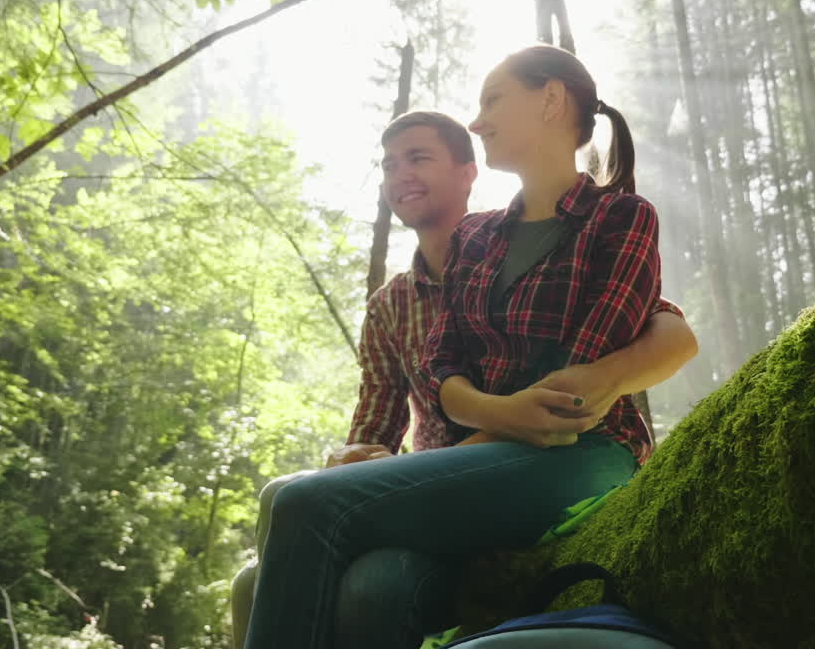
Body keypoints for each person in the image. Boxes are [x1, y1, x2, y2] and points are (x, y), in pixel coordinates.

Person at [241, 66, 697, 648]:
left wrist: (474, 425)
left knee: (296, 501)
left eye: (493, 102)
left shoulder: (620, 217)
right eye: (389, 165)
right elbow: (441, 368)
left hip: (584, 454)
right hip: (473, 468)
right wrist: (479, 421)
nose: (478, 120)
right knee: (366, 577)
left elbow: (583, 378)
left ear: (551, 100)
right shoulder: (474, 241)